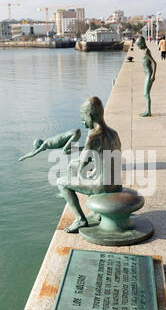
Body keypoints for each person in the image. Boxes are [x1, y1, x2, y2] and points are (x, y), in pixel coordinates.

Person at [57, 97, 122, 233]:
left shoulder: (93, 137)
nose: (82, 121)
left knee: (62, 182)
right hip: (116, 184)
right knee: (91, 174)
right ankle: (96, 212)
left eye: (83, 117)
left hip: (103, 186)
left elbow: (81, 165)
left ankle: (80, 219)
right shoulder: (113, 133)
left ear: (90, 116)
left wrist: (70, 166)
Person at [136, 35, 157, 117]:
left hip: (149, 75)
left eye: (138, 45)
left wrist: (153, 75)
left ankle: (148, 111)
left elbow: (154, 63)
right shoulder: (145, 50)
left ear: (142, 43)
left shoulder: (146, 51)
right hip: (147, 75)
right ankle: (147, 110)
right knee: (145, 93)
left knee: (146, 94)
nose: (138, 47)